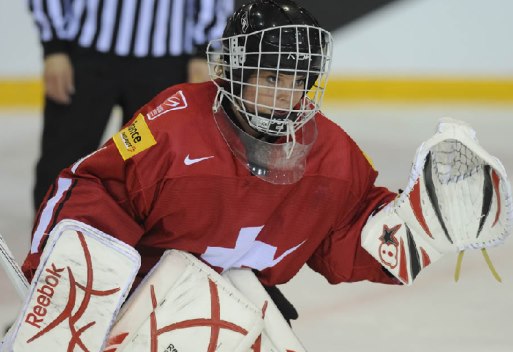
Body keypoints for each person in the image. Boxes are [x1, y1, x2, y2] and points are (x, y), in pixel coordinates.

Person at [20, 0, 512, 344]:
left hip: (236, 308)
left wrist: (417, 229)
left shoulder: (332, 153)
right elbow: (97, 185)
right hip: (135, 306)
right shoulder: (171, 126)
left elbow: (346, 233)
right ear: (234, 70)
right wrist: (68, 282)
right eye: (271, 77)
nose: (284, 95)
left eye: (297, 81)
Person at [28, 0, 235, 211]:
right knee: (62, 160)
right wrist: (54, 46)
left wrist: (202, 51)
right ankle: (50, 238)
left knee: (151, 170)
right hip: (84, 54)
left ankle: (138, 243)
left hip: (165, 62)